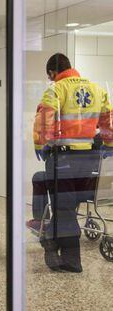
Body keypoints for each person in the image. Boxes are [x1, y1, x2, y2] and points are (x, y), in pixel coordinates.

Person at [33, 53, 113, 273]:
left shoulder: (56, 89)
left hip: (63, 158)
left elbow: (45, 120)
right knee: (64, 203)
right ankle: (50, 237)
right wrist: (109, 144)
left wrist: (41, 146)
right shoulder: (97, 89)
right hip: (89, 159)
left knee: (64, 206)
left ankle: (69, 256)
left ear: (52, 72)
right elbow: (108, 121)